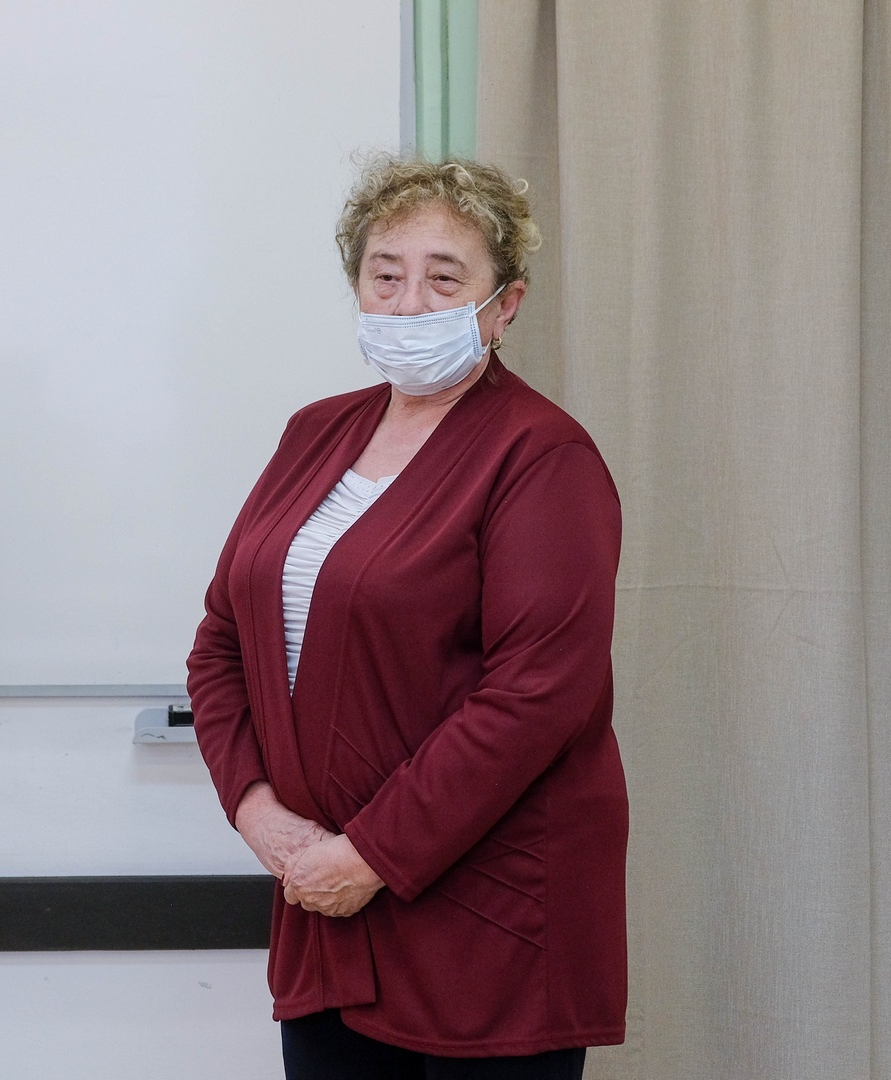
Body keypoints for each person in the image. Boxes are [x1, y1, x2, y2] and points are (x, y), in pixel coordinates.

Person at [187, 156, 626, 1079]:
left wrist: (369, 856)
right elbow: (221, 645)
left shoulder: (543, 456)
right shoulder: (314, 432)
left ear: (504, 306)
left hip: (486, 924)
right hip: (323, 908)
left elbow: (536, 696)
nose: (409, 302)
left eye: (445, 277)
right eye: (385, 275)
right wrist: (256, 810)